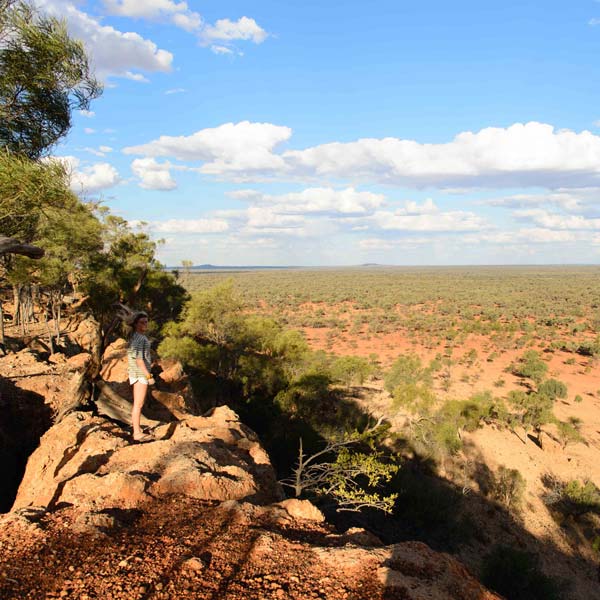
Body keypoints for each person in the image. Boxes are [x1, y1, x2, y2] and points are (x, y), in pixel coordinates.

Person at [127, 311, 155, 442]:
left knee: (138, 404)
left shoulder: (136, 337)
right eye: (142, 322)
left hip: (136, 373)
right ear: (136, 324)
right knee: (138, 404)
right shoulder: (140, 338)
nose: (145, 324)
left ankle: (137, 431)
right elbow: (139, 359)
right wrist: (148, 376)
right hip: (140, 374)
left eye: (146, 321)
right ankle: (137, 433)